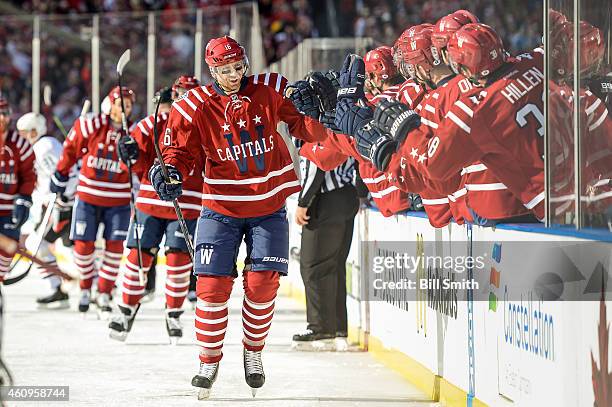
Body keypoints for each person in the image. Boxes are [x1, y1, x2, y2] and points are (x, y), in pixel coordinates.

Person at [149, 36, 327, 398]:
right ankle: (208, 359)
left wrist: (319, 110)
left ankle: (253, 352)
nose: (233, 76)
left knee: (262, 287)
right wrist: (168, 171)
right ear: (211, 70)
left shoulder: (272, 87)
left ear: (244, 63)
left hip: (268, 207)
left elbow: (307, 130)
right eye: (224, 70)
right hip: (220, 209)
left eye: (237, 67)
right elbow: (177, 152)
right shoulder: (194, 105)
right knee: (211, 289)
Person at [341, 23, 546, 221]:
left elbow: (437, 172)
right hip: (551, 188)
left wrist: (392, 149)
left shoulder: (463, 104)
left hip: (489, 206)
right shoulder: (529, 64)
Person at [109, 80, 202, 343]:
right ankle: (126, 309)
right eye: (180, 95)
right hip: (150, 201)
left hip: (186, 204)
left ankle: (173, 313)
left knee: (178, 260)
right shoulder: (155, 123)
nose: (184, 100)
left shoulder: (207, 124)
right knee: (140, 256)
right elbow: (136, 160)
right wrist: (128, 152)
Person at [51, 86, 136, 315]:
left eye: (128, 106)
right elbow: (70, 148)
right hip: (88, 196)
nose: (124, 110)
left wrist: (134, 156)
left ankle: (105, 292)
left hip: (118, 201)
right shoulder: (92, 124)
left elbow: (141, 163)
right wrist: (60, 173)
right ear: (110, 105)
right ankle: (86, 286)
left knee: (114, 250)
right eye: (120, 104)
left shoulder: (134, 133)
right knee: (82, 247)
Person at [291, 153, 357, 351]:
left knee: (313, 267)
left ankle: (320, 329)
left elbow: (316, 163)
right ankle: (337, 329)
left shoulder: (315, 126)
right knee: (335, 266)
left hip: (325, 199)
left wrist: (303, 202)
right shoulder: (341, 124)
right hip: (346, 194)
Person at [16, 112, 77, 307]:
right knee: (70, 248)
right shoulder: (42, 146)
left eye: (24, 133)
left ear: (34, 131)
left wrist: (63, 199)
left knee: (39, 244)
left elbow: (62, 174)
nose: (21, 137)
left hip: (59, 205)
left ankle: (66, 288)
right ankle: (88, 287)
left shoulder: (44, 147)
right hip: (55, 204)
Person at [0, 97, 36, 283]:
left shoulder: (20, 145)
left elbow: (29, 176)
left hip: (8, 210)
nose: (1, 118)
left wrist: (24, 197)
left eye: (4, 114)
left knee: (4, 258)